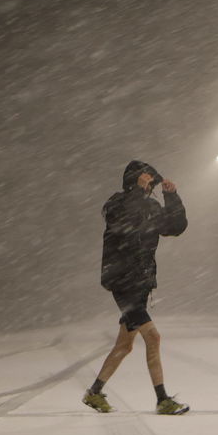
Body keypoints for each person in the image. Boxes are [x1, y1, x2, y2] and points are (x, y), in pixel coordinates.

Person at [84, 159, 190, 414]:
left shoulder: (151, 206)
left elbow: (176, 227)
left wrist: (171, 196)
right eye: (145, 176)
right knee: (153, 337)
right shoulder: (117, 204)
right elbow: (125, 219)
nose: (149, 181)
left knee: (125, 345)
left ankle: (94, 393)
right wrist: (136, 190)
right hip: (122, 281)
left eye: (150, 178)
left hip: (140, 283)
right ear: (133, 179)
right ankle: (162, 399)